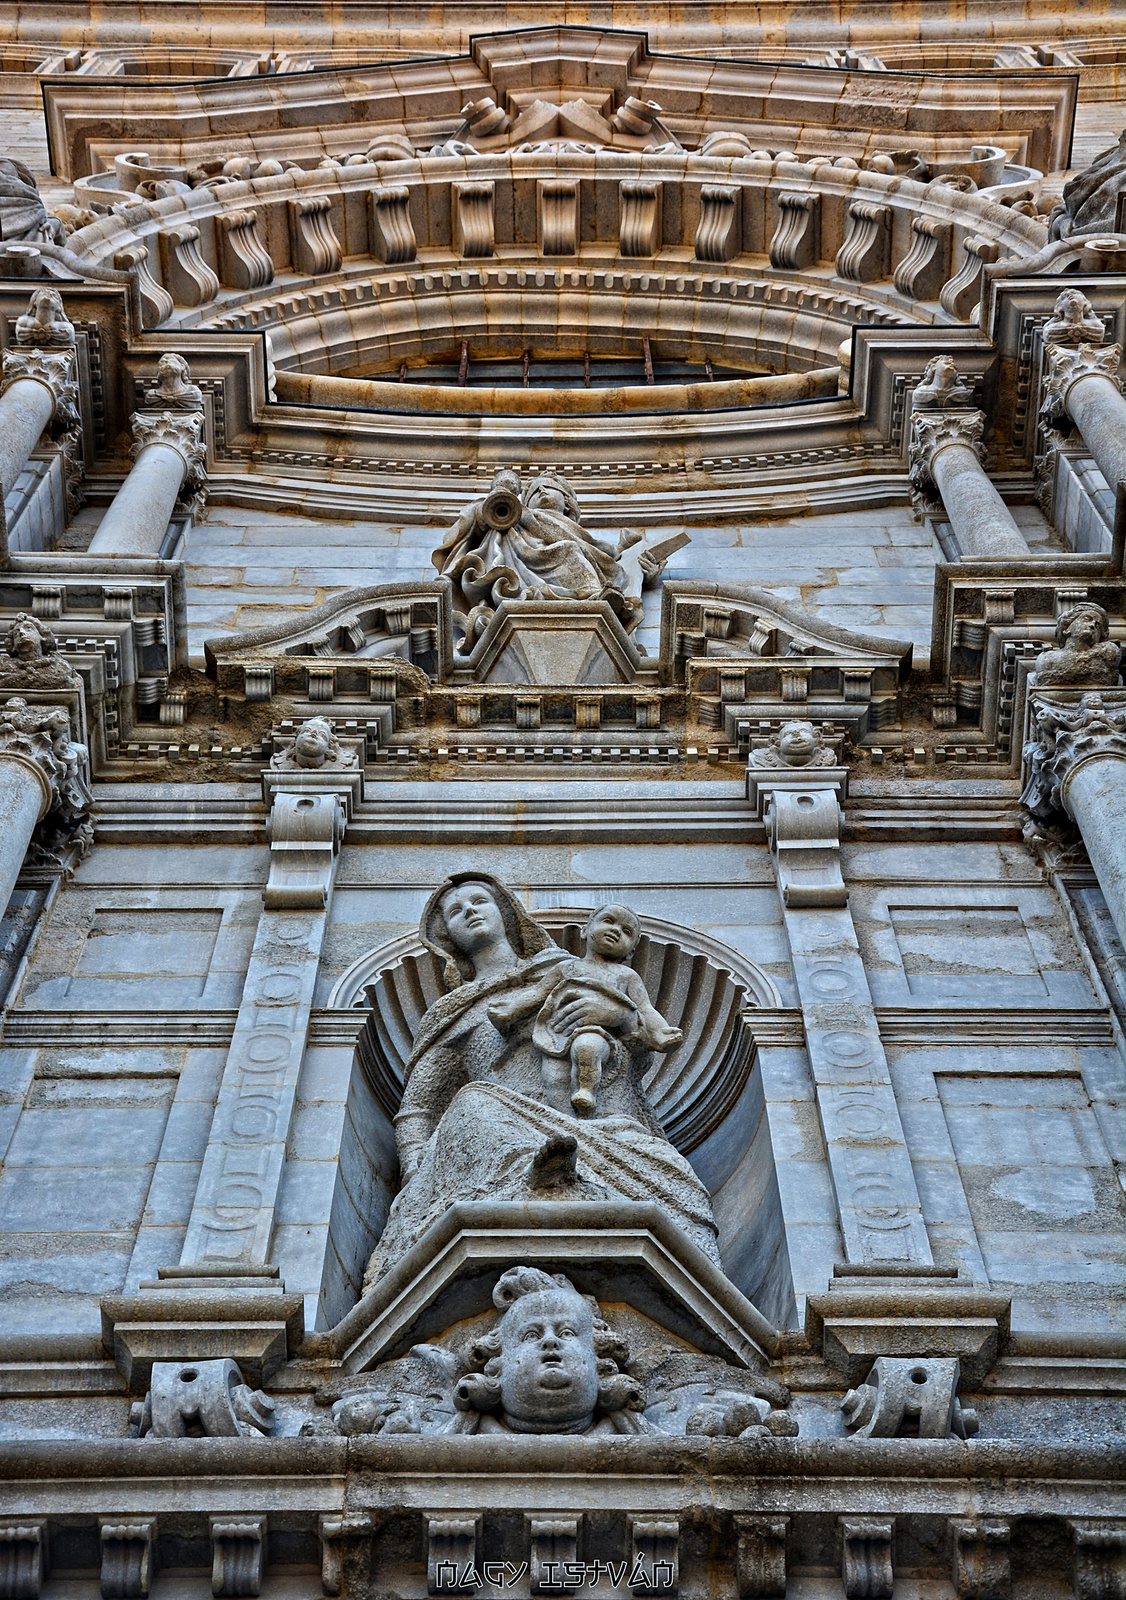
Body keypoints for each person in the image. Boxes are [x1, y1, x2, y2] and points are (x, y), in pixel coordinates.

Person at [361, 872, 721, 1287]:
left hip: (596, 1118)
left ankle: (564, 1168)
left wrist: (621, 1017)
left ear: (507, 913)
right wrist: (416, 1168)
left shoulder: (565, 970)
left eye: (479, 901)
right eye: (455, 911)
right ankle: (538, 1175)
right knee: (473, 1104)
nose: (470, 912)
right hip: (495, 1119)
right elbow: (420, 1106)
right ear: (447, 936)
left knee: (677, 1177)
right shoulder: (450, 1013)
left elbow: (638, 1055)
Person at [487, 904, 681, 1118]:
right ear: (585, 930)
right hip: (557, 1033)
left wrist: (661, 1031)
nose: (616, 930)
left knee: (588, 1048)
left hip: (597, 1033)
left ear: (631, 951)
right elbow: (538, 993)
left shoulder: (626, 976)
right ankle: (563, 1120)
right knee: (553, 1076)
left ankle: (586, 1093)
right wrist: (511, 1009)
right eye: (608, 921)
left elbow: (644, 1008)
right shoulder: (565, 968)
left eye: (627, 932)